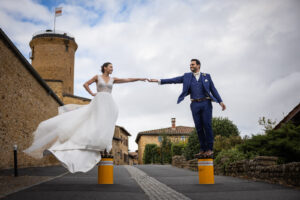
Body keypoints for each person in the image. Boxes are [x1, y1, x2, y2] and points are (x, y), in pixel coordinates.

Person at [23, 62, 147, 173]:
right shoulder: (97, 77)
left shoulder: (113, 79)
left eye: (112, 67)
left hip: (109, 103)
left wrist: (140, 78)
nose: (112, 69)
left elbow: (127, 79)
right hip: (99, 101)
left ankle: (102, 146)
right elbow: (85, 84)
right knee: (91, 122)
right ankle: (72, 144)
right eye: (110, 67)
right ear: (105, 68)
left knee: (105, 124)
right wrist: (92, 93)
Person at [149, 59, 226, 157]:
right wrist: (159, 81)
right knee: (198, 127)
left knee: (207, 125)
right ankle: (203, 149)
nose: (191, 66)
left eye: (193, 64)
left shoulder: (207, 76)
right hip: (194, 104)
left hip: (206, 103)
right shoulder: (187, 76)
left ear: (198, 65)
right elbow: (173, 80)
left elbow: (213, 89)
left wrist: (220, 101)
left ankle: (210, 149)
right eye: (190, 65)